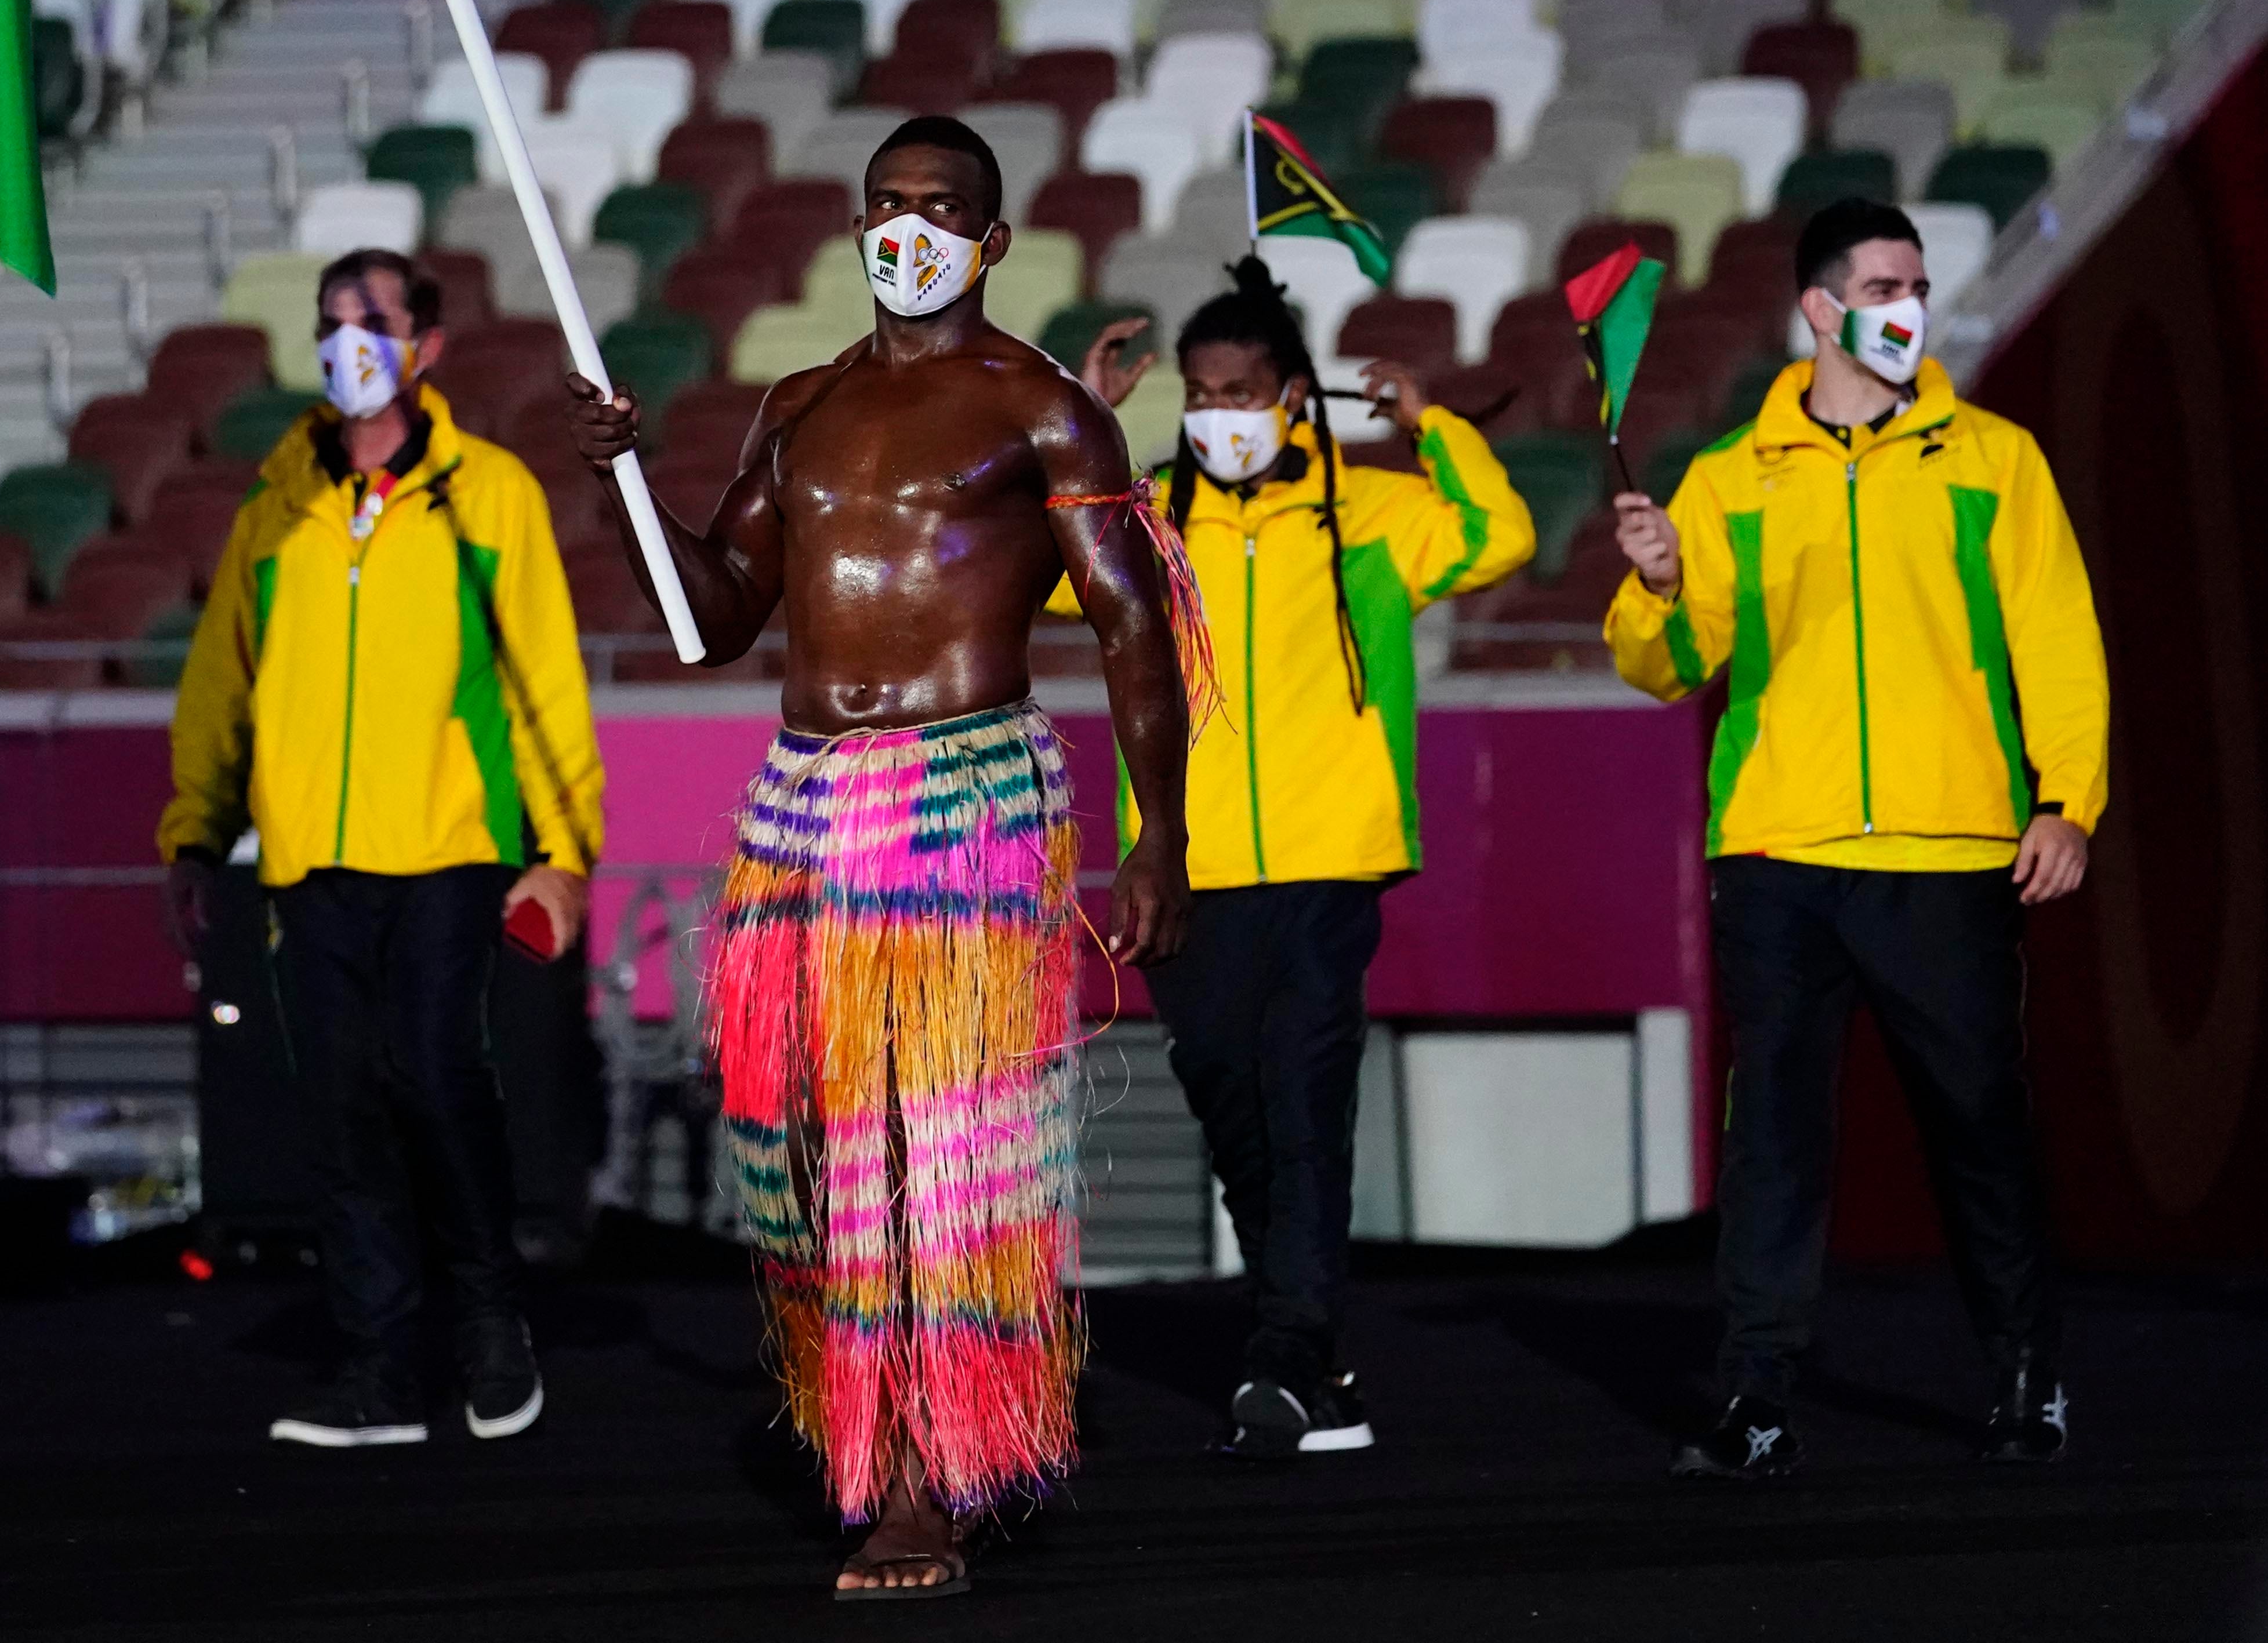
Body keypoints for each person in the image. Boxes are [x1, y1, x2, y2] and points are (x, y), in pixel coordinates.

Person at [564, 114, 1193, 1600]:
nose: (905, 228)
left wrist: (1158, 837)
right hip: (798, 802)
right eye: (884, 204)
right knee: (804, 1153)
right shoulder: (798, 403)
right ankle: (877, 1423)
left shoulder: (1043, 412)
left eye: (938, 207)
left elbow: (1131, 627)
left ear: (990, 242)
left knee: (935, 1153)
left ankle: (929, 1476)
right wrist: (626, 479)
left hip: (961, 793)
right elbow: (714, 614)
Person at [1602, 198, 2109, 1478]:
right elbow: (1666, 667)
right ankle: (1755, 1395)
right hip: (1777, 854)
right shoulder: (1728, 476)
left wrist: (2067, 799)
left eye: (1918, 286)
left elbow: (2055, 638)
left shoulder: (1992, 459)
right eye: (1885, 285)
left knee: (1978, 1124)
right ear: (1819, 309)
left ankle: (2025, 1376)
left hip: (1946, 852)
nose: (1908, 308)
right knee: (1772, 1136)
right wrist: (1655, 585)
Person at [1067, 258, 1534, 1457]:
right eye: (1201, 392)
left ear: (1289, 398)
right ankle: (1312, 1350)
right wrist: (1086, 424)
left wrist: (1431, 427)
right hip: (1187, 873)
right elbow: (1040, 565)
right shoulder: (1145, 521)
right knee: (1236, 1117)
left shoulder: (1365, 511)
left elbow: (1497, 535)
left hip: (1330, 864)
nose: (1218, 411)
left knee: (1303, 1106)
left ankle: (1277, 1358)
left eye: (1241, 390)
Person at [158, 248, 605, 1452]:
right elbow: (221, 683)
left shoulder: (487, 492)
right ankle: (376, 1373)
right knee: (340, 1104)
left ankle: (488, 1320)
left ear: (427, 347)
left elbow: (541, 678)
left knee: (430, 1072)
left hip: (451, 840)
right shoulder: (275, 504)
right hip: (306, 856)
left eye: (372, 320)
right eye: (329, 321)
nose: (345, 340)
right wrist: (195, 832)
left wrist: (563, 847)